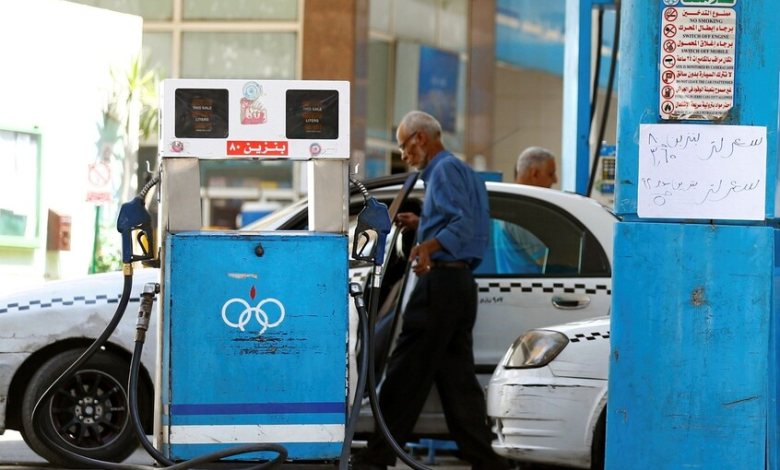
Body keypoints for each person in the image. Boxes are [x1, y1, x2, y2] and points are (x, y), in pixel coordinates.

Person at [351, 111, 509, 470]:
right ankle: (488, 462)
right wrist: (422, 224)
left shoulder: (443, 171)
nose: (404, 155)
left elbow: (461, 225)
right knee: (457, 382)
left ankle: (375, 457)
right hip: (459, 286)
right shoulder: (463, 172)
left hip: (440, 286)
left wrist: (426, 247)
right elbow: (461, 220)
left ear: (420, 138)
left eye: (404, 146)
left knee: (405, 371)